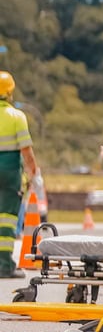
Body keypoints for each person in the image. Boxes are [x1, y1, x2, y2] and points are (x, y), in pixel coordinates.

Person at [0, 72, 40, 277]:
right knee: (6, 219)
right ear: (9, 91)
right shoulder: (17, 116)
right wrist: (33, 174)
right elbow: (27, 152)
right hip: (9, 172)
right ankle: (4, 266)